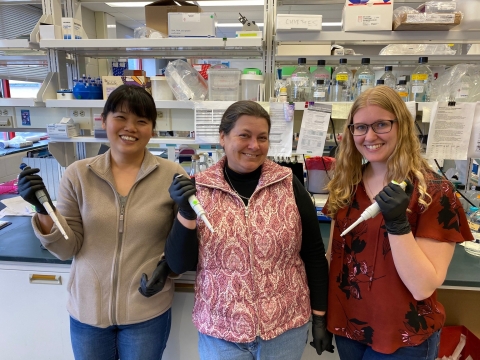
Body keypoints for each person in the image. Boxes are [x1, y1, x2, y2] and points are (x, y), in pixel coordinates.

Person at [17, 85, 197, 360]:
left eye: (141, 121)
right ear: (104, 120)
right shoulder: (78, 174)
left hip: (146, 310)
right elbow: (68, 248)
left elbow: (178, 243)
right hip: (88, 313)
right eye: (121, 117)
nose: (131, 128)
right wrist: (43, 209)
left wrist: (165, 268)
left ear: (152, 128)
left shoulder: (172, 175)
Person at [164, 100, 333, 360]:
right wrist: (186, 211)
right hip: (220, 332)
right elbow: (180, 263)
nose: (254, 145)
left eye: (262, 137)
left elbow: (313, 254)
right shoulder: (200, 189)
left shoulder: (289, 184)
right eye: (244, 135)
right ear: (223, 137)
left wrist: (320, 317)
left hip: (284, 329)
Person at [323, 86, 473, 359]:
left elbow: (423, 285)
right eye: (360, 127)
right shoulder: (346, 184)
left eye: (381, 124)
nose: (369, 136)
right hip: (349, 327)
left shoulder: (434, 191)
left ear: (402, 126)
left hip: (403, 336)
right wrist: (321, 314)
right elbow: (335, 257)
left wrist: (398, 224)